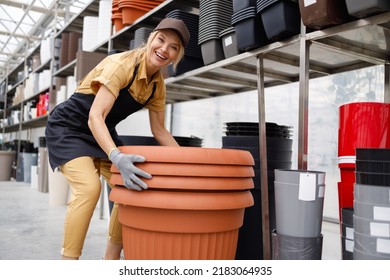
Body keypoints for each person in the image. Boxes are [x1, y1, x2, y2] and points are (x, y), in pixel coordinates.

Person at [45, 18, 190, 260]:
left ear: (177, 55)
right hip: (69, 127)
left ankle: (110, 261)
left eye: (173, 47)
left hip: (101, 130)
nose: (164, 49)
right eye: (161, 40)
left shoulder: (157, 86)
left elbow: (160, 132)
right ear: (150, 39)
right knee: (89, 189)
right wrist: (116, 155)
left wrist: (188, 164)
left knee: (130, 190)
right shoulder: (121, 65)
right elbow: (95, 116)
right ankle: (68, 263)